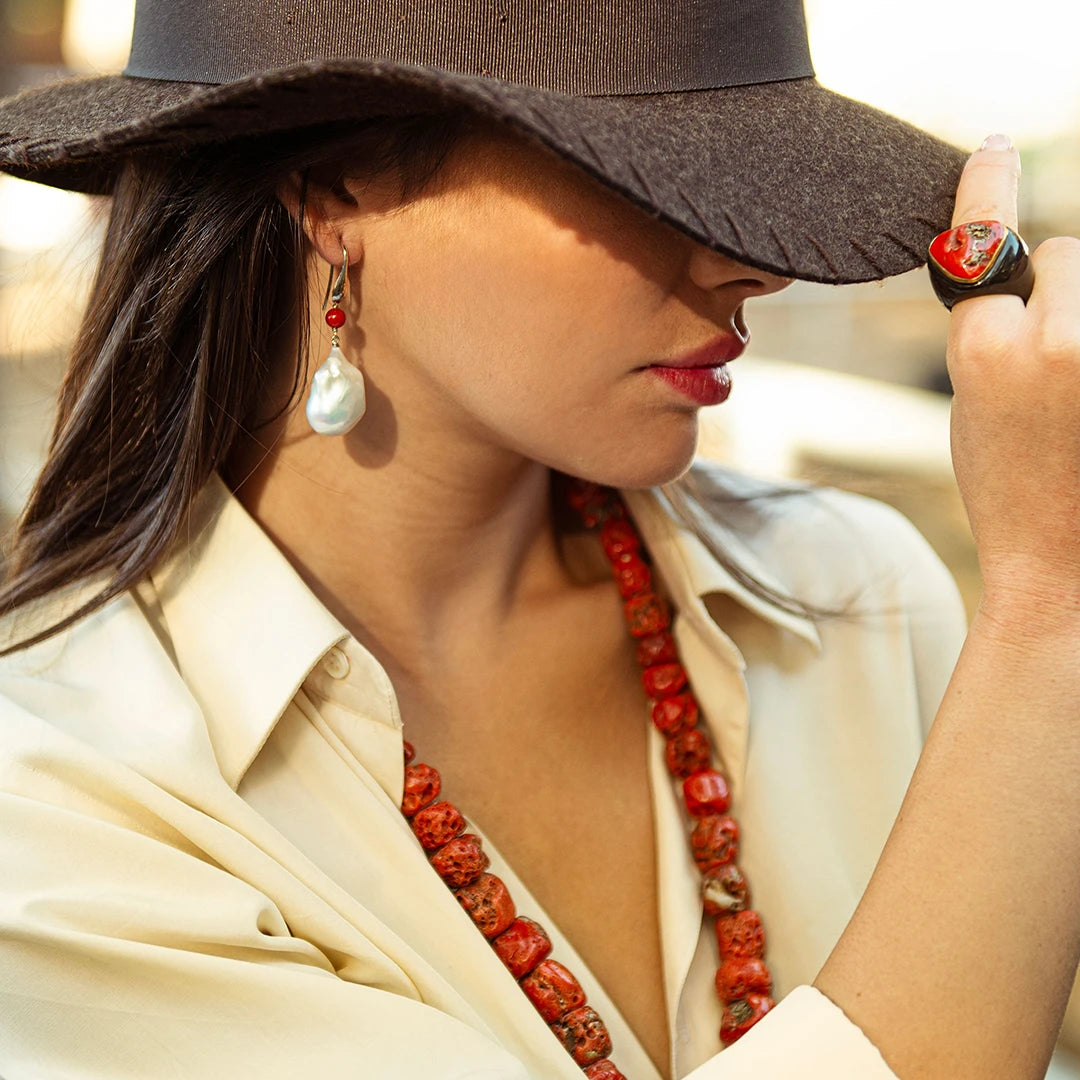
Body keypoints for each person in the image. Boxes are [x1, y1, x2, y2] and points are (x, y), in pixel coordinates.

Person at [0, 1, 1078, 1078]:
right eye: (648, 174)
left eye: (758, 179)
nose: (755, 264)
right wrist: (1049, 611)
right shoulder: (58, 800)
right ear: (336, 187)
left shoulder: (854, 599)